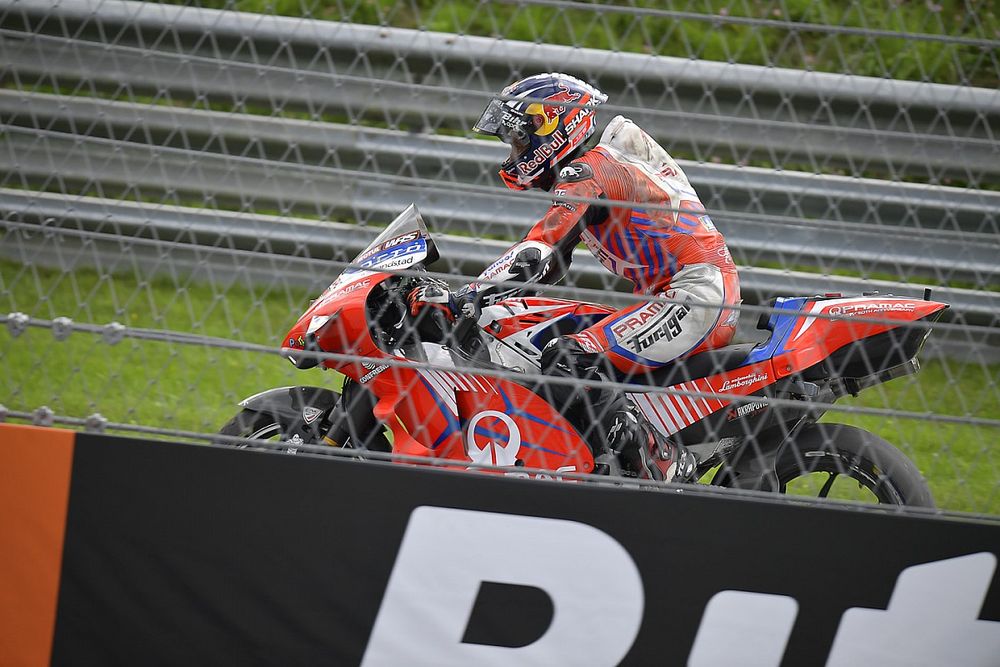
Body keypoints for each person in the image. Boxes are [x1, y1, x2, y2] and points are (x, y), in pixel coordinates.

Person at [409, 72, 740, 482]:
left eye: (518, 138)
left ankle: (664, 461)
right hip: (683, 294)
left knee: (569, 358)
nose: (514, 150)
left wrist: (466, 295)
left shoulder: (587, 172)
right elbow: (552, 262)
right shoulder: (595, 169)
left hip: (695, 294)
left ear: (552, 126)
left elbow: (538, 249)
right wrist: (488, 298)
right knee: (539, 338)